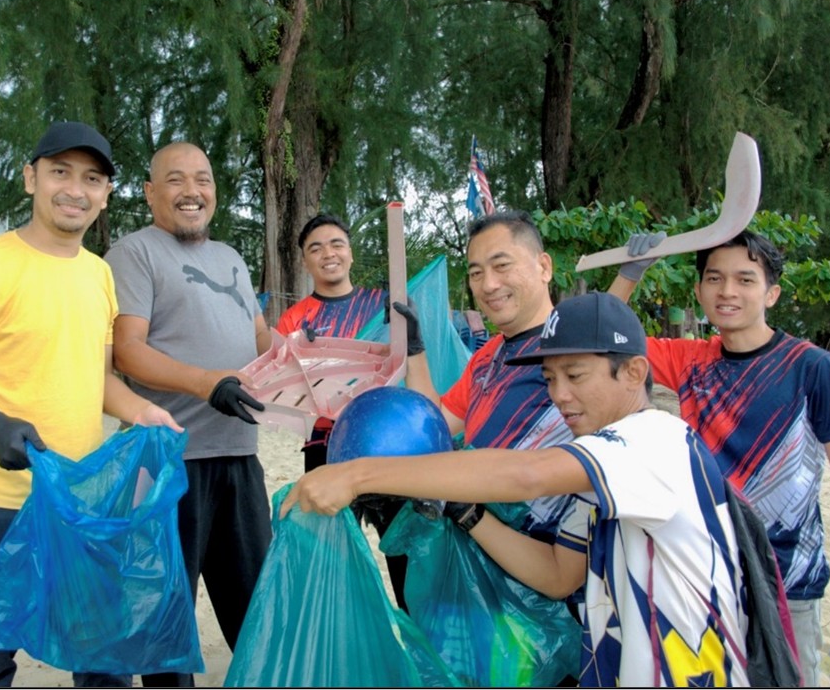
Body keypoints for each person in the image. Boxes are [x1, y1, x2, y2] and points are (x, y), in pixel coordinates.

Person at [283, 292, 751, 687]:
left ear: (633, 373)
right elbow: (555, 574)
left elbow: (527, 473)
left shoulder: (656, 440)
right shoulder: (599, 473)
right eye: (549, 379)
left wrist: (356, 474)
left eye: (576, 375)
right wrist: (469, 514)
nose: (560, 395)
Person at [0, 121, 180, 688]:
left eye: (92, 178)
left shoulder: (99, 273)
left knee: (103, 655)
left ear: (106, 194)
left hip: (84, 497)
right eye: (60, 172)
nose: (76, 189)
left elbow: (101, 378)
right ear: (30, 178)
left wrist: (141, 410)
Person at [610, 229, 830, 683]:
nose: (727, 291)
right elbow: (603, 344)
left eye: (745, 279)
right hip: (704, 573)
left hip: (790, 582)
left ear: (772, 293)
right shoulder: (690, 360)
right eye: (714, 278)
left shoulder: (811, 367)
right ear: (699, 290)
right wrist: (631, 273)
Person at [104, 142, 273, 688]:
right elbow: (127, 351)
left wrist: (310, 362)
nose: (191, 192)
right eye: (175, 181)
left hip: (240, 459)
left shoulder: (231, 258)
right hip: (169, 461)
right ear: (151, 193)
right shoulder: (134, 252)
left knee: (258, 609)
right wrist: (206, 384)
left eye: (202, 179)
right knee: (166, 619)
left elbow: (260, 342)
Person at [397, 210, 575, 544]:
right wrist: (414, 349)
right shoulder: (487, 357)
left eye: (502, 265)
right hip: (477, 547)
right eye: (476, 273)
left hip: (553, 562)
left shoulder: (577, 351)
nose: (488, 284)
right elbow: (435, 424)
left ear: (544, 267)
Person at [275, 213, 387, 469]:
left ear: (350, 253)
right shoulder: (293, 321)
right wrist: (305, 357)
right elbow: (285, 392)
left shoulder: (383, 306)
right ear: (305, 262)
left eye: (337, 244)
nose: (328, 253)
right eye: (316, 249)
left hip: (383, 427)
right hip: (323, 439)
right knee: (326, 510)